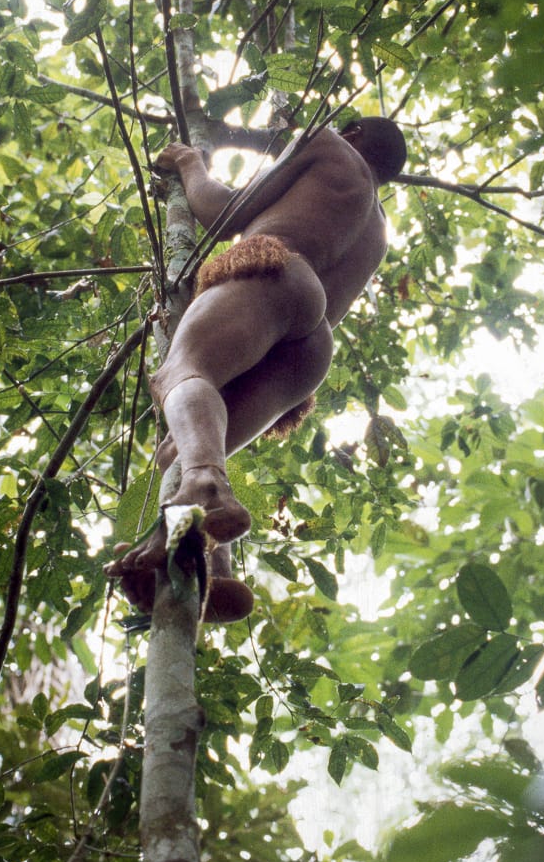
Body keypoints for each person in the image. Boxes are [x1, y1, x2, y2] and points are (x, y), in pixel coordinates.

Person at [106, 117, 407, 621]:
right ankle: (208, 559)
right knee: (184, 442)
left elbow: (226, 215)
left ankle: (203, 481)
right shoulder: (378, 230)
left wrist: (189, 162)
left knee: (180, 374)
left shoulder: (327, 142)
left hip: (276, 272)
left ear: (352, 132)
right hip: (312, 347)